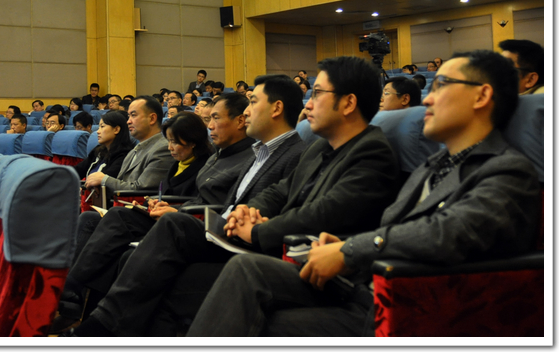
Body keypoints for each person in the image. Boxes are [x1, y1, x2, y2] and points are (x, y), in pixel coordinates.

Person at [186, 50, 540, 338]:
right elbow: (396, 227)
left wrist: (350, 248)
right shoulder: (433, 165)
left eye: (442, 85)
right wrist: (339, 244)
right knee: (247, 275)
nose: (428, 98)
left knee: (261, 310)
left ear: (482, 95)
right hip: (363, 287)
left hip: (412, 307)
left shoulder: (508, 170)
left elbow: (448, 232)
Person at [69, 74, 326, 337]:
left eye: (253, 102)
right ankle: (90, 315)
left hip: (243, 242)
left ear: (276, 108)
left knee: (171, 229)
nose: (247, 111)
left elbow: (282, 209)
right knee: (128, 233)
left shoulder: (296, 154)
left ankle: (95, 322)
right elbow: (244, 201)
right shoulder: (259, 152)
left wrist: (239, 219)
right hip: (219, 229)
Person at [83, 96, 176, 193]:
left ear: (152, 119)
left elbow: (141, 190)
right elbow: (122, 183)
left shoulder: (163, 149)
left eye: (133, 115)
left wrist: (104, 179)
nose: (128, 121)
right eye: (128, 116)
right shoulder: (134, 151)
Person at [74, 111, 135, 185]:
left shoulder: (125, 155)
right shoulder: (98, 150)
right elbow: (78, 170)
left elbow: (106, 180)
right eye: (99, 127)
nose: (98, 131)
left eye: (102, 127)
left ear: (116, 129)